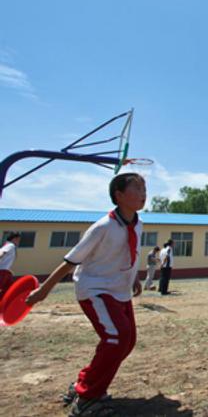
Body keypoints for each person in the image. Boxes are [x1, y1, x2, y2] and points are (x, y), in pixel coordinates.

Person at [26, 173, 146, 416]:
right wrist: (44, 290)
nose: (144, 193)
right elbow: (71, 261)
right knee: (116, 339)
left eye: (145, 188)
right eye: (137, 188)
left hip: (120, 291)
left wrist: (134, 277)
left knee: (127, 341)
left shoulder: (138, 224)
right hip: (96, 290)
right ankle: (87, 400)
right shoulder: (103, 226)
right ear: (119, 195)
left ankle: (83, 383)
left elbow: (127, 252)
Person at [0, 231, 20, 299]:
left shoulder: (7, 245)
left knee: (9, 289)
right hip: (2, 272)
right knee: (6, 290)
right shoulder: (11, 245)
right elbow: (1, 253)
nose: (18, 242)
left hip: (6, 271)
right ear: (14, 239)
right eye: (18, 240)